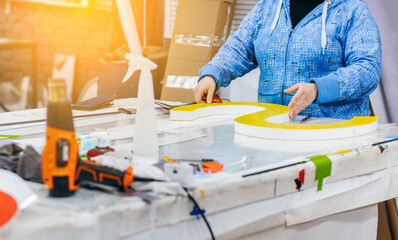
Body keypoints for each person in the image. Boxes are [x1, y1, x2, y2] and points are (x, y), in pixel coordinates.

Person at [193, 0, 382, 120]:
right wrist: (212, 74)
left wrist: (317, 89)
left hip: (335, 132)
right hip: (276, 128)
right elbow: (240, 47)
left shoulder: (352, 11)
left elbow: (367, 70)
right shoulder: (266, 8)